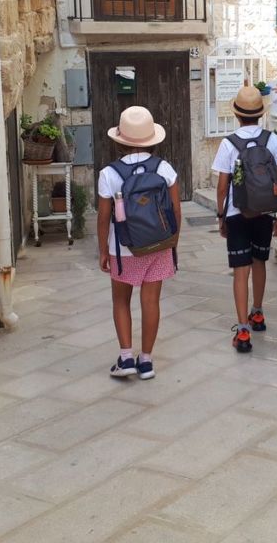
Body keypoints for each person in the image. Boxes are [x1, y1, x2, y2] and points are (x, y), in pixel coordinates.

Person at [97, 106, 181, 380]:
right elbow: (176, 211)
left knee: (120, 301)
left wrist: (103, 250)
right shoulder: (164, 169)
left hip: (123, 248)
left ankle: (125, 359)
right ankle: (146, 361)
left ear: (120, 140)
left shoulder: (109, 174)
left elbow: (103, 217)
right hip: (158, 245)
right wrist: (173, 242)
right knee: (151, 302)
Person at [212, 86, 277, 353]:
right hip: (265, 212)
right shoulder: (272, 140)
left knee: (240, 270)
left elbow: (222, 186)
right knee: (259, 262)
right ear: (260, 114)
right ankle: (257, 313)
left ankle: (243, 331)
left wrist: (221, 215)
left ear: (237, 115)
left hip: (237, 213)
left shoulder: (228, 143)